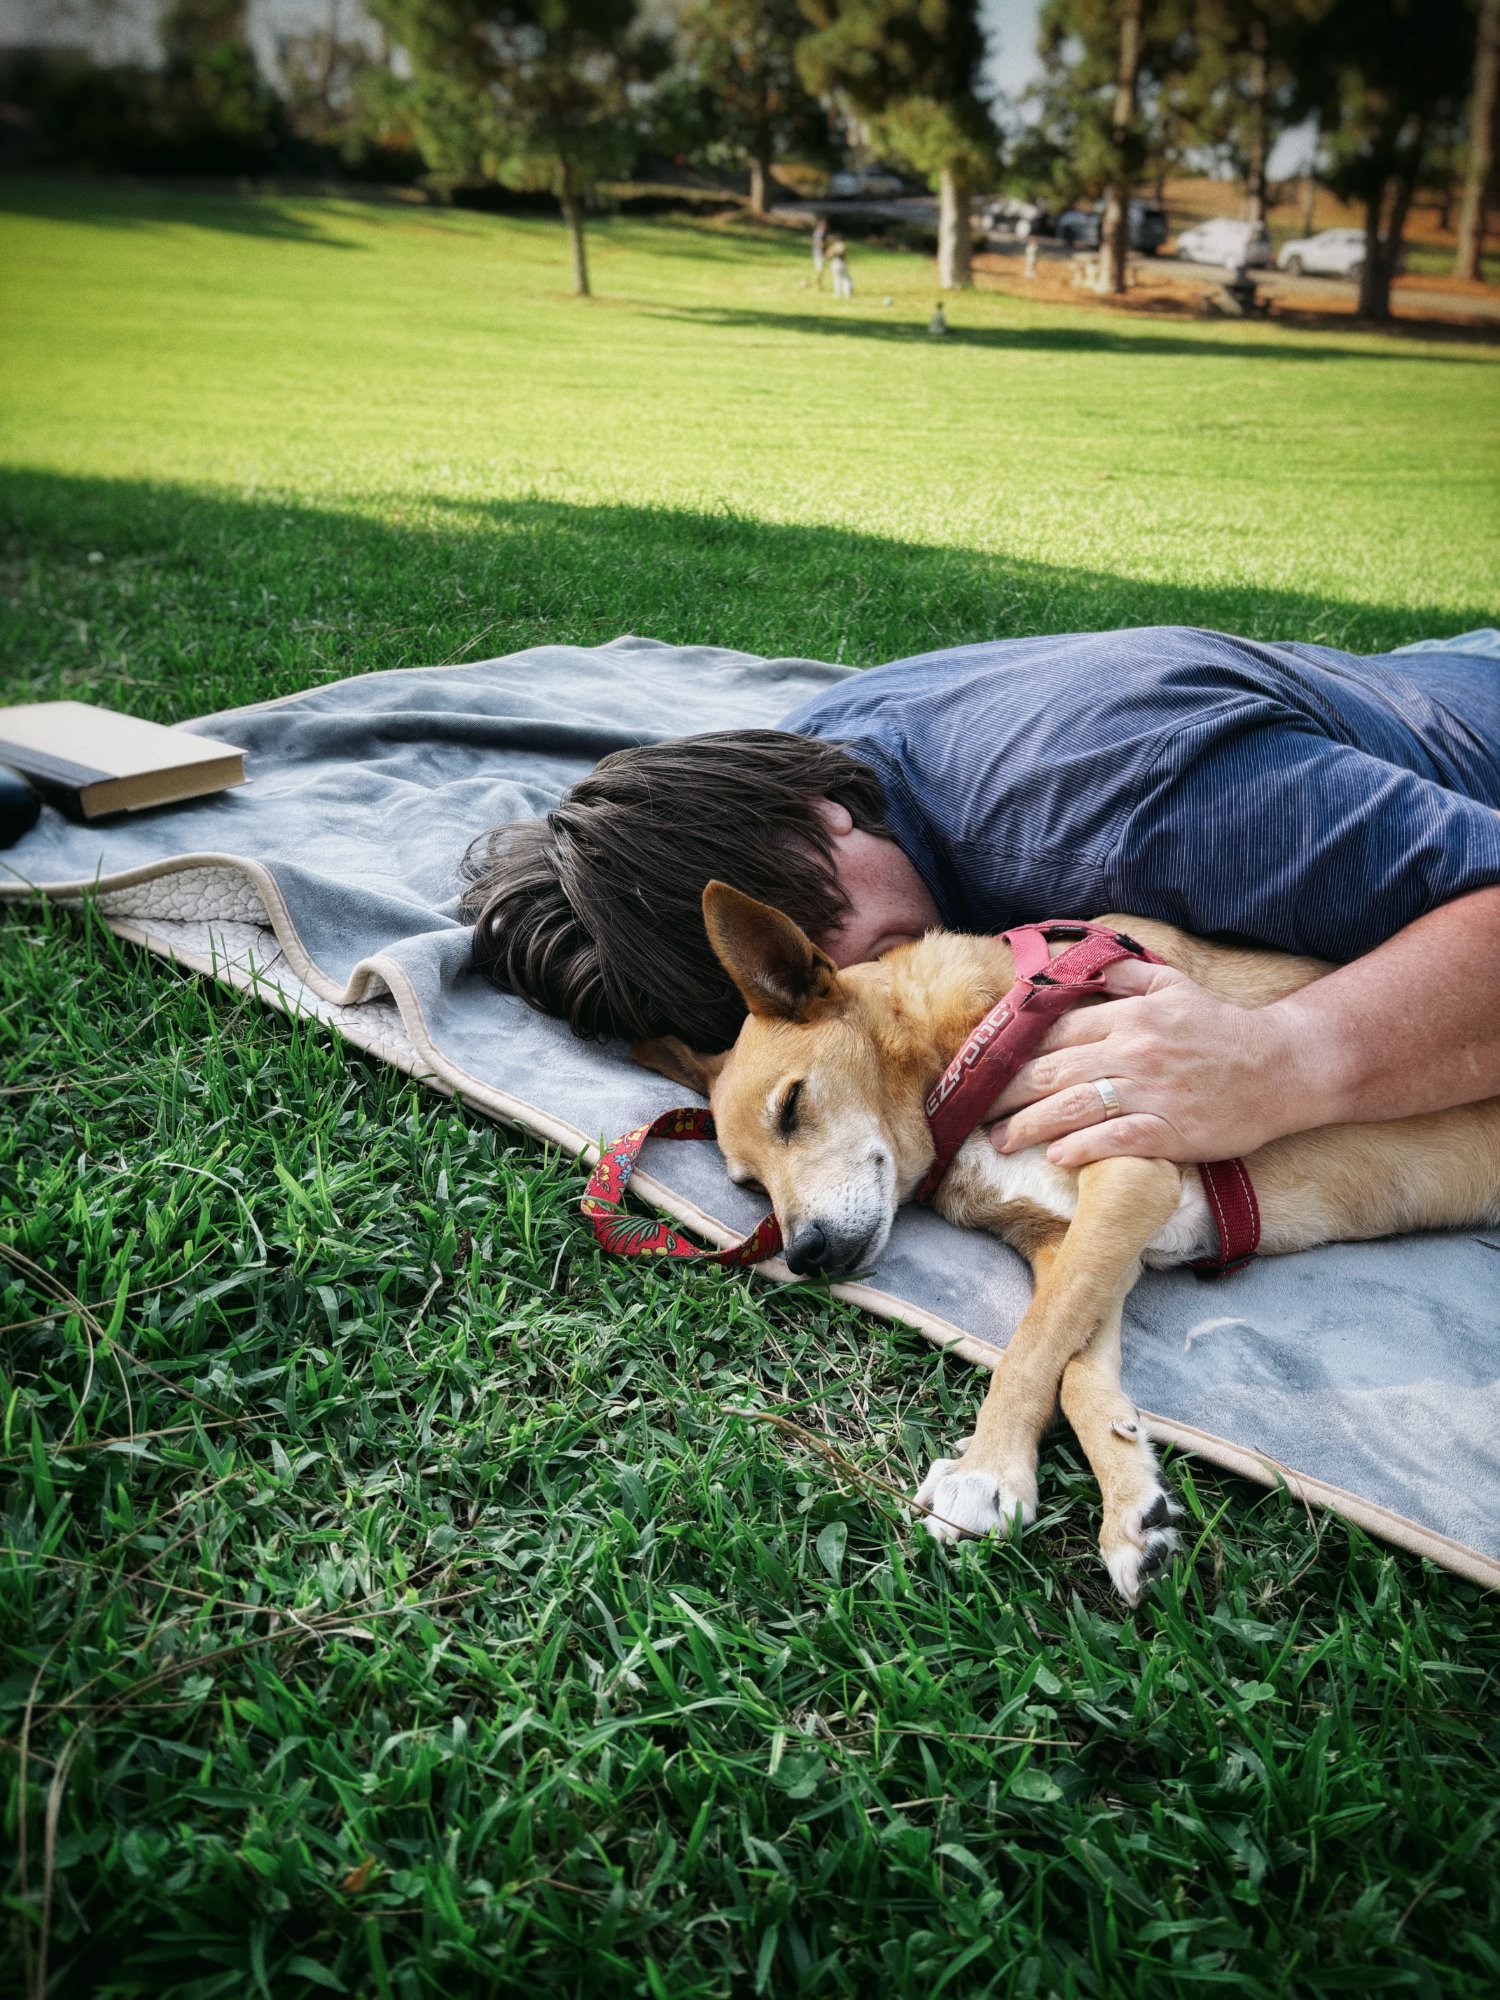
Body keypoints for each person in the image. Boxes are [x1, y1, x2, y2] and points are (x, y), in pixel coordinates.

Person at [461, 626, 1500, 1170]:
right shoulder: (820, 760)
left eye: (826, 957)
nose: (855, 997)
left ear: (819, 812)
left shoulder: (1127, 809)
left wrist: (1288, 1062)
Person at [811, 215, 828, 289]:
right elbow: (820, 244)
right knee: (820, 269)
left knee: (819, 269)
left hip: (816, 253)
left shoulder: (816, 232)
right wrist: (826, 250)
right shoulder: (821, 233)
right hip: (819, 254)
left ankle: (817, 284)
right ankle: (816, 284)